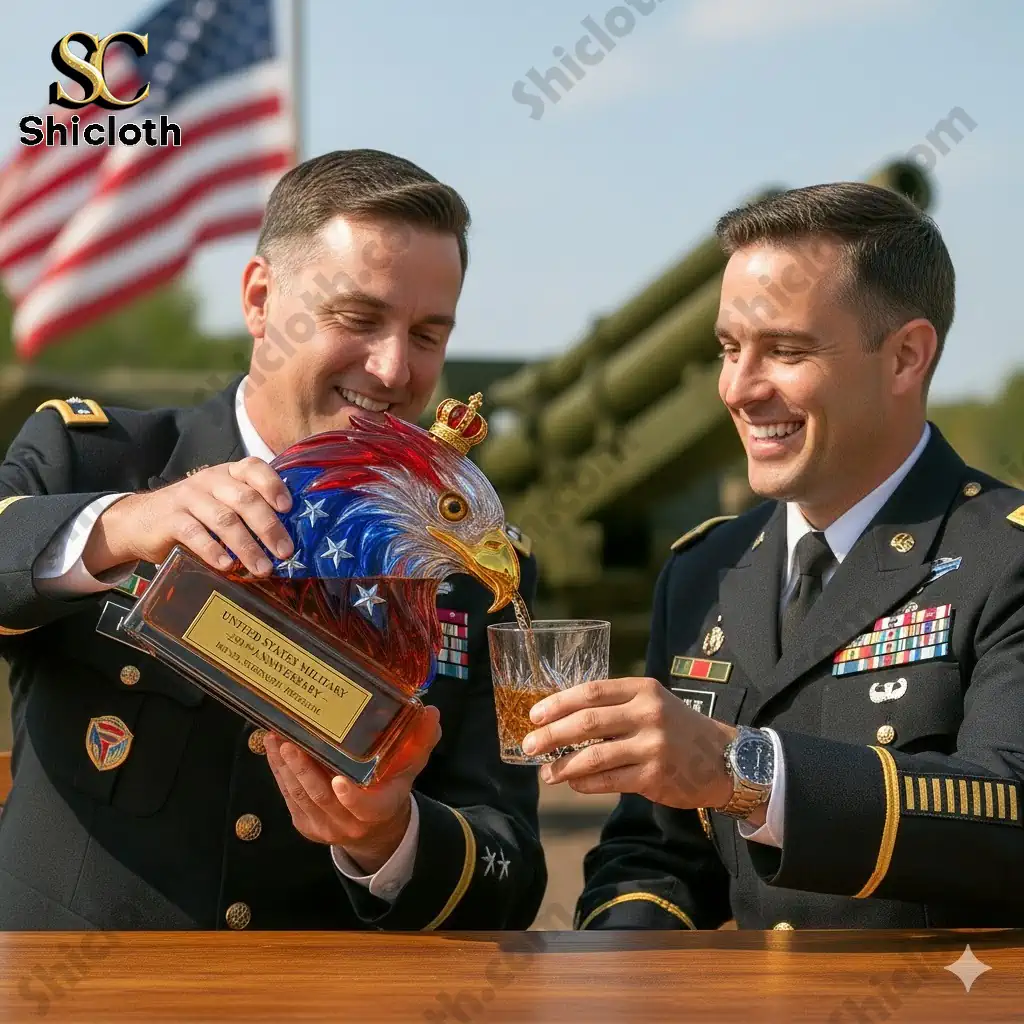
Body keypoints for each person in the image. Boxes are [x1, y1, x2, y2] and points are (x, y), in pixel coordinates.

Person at [0, 149, 546, 931]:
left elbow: (512, 870)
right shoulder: (97, 460)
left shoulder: (469, 566)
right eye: (357, 319)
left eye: (429, 334)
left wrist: (390, 839)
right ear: (261, 300)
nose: (394, 368)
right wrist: (120, 526)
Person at [521, 181, 1024, 929]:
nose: (739, 388)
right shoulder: (704, 571)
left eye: (785, 350)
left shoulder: (1004, 558)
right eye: (729, 349)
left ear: (906, 358)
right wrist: (621, 972)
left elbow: (1010, 813)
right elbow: (656, 857)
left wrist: (742, 772)